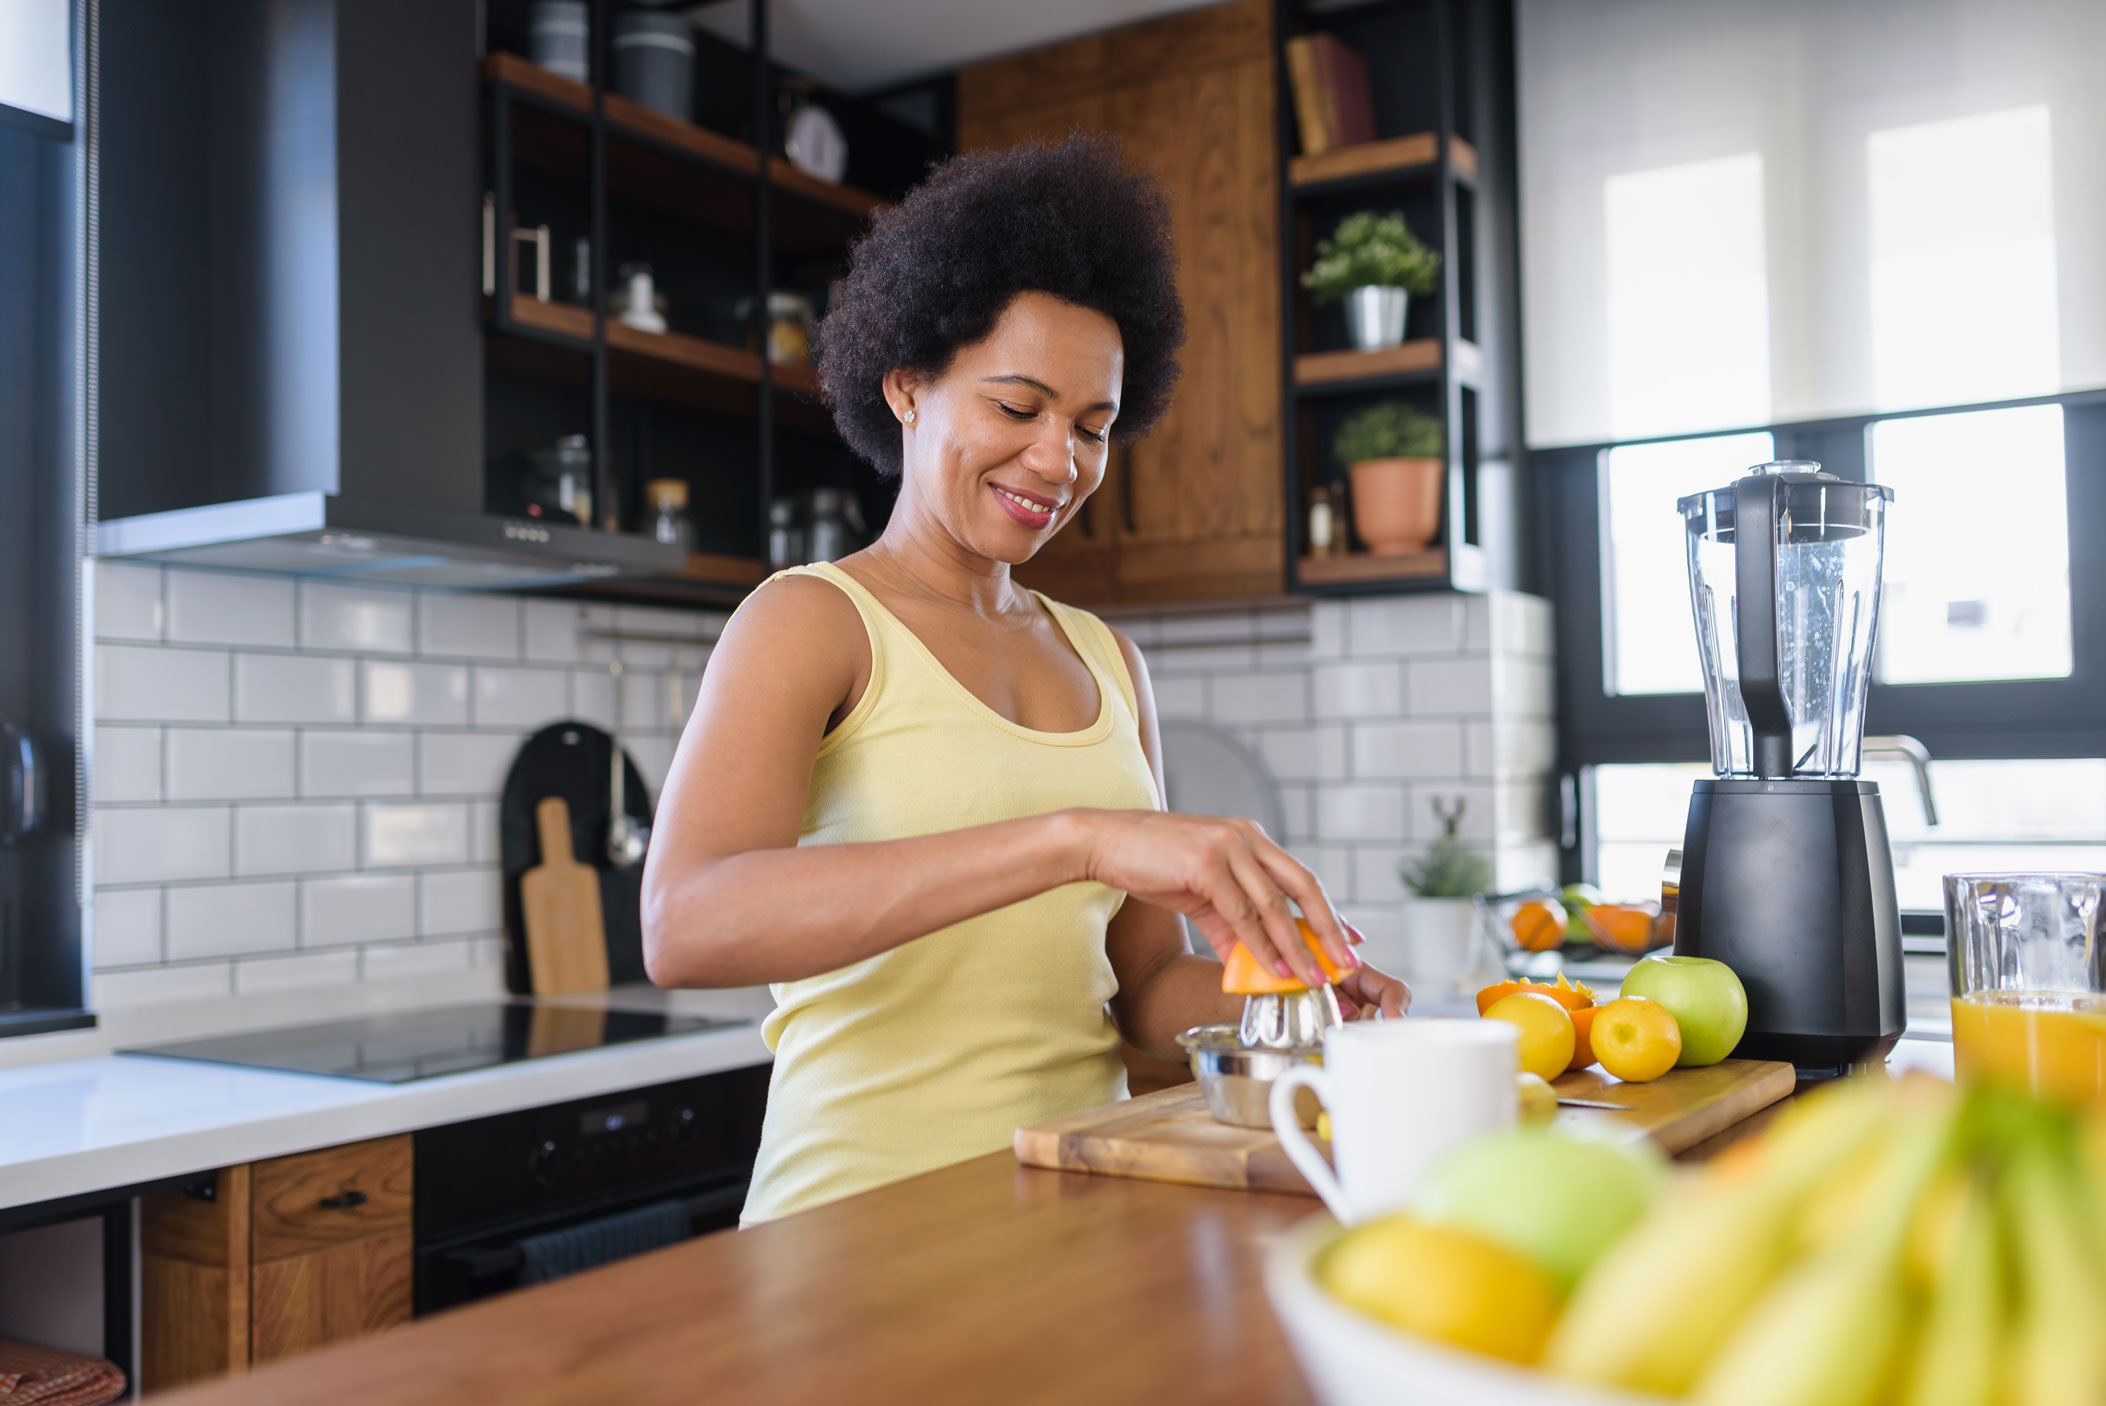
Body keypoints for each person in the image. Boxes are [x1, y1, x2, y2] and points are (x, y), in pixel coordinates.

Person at [642, 134, 1409, 1226]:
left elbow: (1141, 994)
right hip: (849, 1242)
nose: (1060, 460)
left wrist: (1286, 999)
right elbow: (684, 922)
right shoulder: (811, 621)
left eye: (1093, 426)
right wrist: (1074, 836)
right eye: (1017, 407)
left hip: (1075, 1222)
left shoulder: (1107, 658)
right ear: (907, 385)